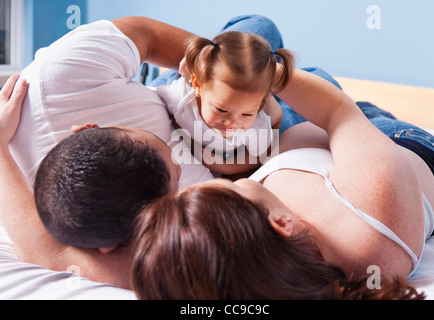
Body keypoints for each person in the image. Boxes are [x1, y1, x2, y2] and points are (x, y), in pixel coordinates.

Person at [0, 15, 353, 291]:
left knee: (259, 28)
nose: (182, 165)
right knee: (328, 92)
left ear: (89, 126)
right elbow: (54, 255)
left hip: (172, 93)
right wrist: (259, 127)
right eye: (176, 178)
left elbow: (146, 33)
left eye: (168, 155)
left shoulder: (59, 80)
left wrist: (214, 75)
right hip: (239, 137)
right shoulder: (118, 230)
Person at [131, 67, 434, 299]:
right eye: (235, 187)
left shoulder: (257, 278)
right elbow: (338, 112)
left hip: (284, 144)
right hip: (391, 137)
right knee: (311, 78)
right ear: (281, 221)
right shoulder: (375, 215)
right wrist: (262, 72)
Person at [156, 31, 295, 175]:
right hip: (240, 99)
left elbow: (260, 155)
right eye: (222, 110)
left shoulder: (256, 127)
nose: (231, 123)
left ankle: (275, 97)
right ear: (198, 87)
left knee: (311, 84)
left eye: (246, 114)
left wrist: (226, 166)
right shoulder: (179, 97)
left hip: (273, 120)